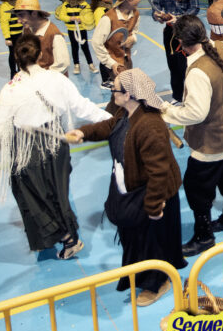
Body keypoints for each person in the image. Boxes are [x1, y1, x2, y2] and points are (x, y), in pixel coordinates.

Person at [0, 35, 109, 260]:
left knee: (34, 197)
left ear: (16, 57)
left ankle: (67, 238)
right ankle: (64, 237)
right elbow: (83, 107)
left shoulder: (11, 89)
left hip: (27, 150)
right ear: (39, 55)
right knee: (58, 193)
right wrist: (113, 121)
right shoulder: (56, 79)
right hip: (57, 144)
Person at [66, 69, 185, 306]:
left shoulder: (149, 126)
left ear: (129, 94)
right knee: (137, 240)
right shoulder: (126, 112)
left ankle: (157, 282)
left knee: (151, 243)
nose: (112, 91)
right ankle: (145, 275)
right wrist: (83, 132)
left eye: (115, 88)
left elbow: (159, 172)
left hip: (152, 195)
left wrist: (153, 206)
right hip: (134, 188)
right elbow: (110, 126)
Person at [160, 15, 223, 257]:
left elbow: (196, 113)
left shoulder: (197, 71)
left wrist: (166, 111)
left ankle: (204, 236)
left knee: (196, 189)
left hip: (210, 144)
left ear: (180, 42)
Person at [150, 0, 199, 99]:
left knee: (190, 65)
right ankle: (177, 97)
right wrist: (157, 15)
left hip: (188, 30)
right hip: (170, 32)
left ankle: (193, 96)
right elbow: (156, 5)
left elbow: (195, 7)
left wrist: (179, 19)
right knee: (173, 66)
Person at [91, 0, 142, 90]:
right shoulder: (108, 18)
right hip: (114, 61)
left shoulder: (136, 14)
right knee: (123, 90)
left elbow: (134, 31)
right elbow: (96, 42)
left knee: (128, 88)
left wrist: (133, 38)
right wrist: (111, 63)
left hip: (127, 58)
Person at [13, 0, 69, 74]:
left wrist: (42, 77)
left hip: (50, 79)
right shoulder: (27, 29)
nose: (18, 21)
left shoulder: (54, 35)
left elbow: (62, 65)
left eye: (21, 15)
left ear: (34, 13)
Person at [55, 0, 97, 75]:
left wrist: (81, 19)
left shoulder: (84, 4)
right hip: (71, 30)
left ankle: (90, 64)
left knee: (85, 47)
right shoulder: (65, 5)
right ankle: (76, 65)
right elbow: (62, 16)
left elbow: (88, 15)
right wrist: (70, 18)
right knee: (74, 47)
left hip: (82, 29)